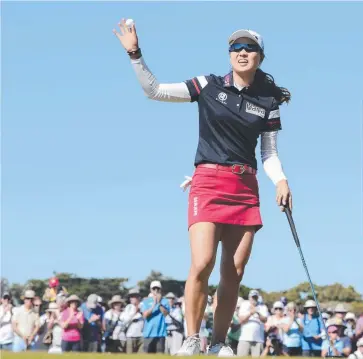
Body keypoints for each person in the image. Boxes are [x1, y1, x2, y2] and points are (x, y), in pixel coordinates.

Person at [114, 21, 292, 357]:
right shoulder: (208, 85)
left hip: (245, 186)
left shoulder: (268, 100)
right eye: (236, 48)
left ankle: (220, 342)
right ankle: (192, 337)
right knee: (202, 263)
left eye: (249, 48)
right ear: (229, 55)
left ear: (260, 56)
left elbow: (269, 151)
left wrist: (280, 180)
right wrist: (135, 54)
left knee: (234, 272)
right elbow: (154, 91)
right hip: (209, 182)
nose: (242, 53)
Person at [141, 281, 171, 353]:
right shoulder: (146, 301)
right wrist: (154, 304)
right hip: (148, 333)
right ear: (151, 290)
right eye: (154, 289)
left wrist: (159, 303)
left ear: (160, 289)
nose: (156, 290)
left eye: (158, 288)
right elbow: (145, 315)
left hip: (161, 333)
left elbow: (166, 313)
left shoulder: (165, 301)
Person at [237, 290, 269, 357]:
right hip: (244, 338)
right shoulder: (244, 305)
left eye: (255, 297)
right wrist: (250, 313)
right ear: (249, 297)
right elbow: (241, 320)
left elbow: (265, 320)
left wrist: (257, 312)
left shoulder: (263, 307)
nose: (254, 299)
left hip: (258, 340)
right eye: (252, 297)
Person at [122, 288, 145, 354]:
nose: (131, 298)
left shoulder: (144, 306)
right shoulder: (128, 307)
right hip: (130, 336)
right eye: (130, 297)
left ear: (138, 297)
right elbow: (125, 320)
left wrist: (141, 311)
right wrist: (135, 312)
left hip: (142, 336)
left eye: (133, 296)